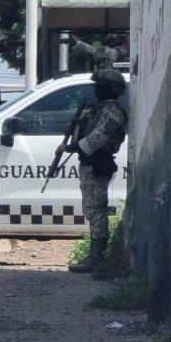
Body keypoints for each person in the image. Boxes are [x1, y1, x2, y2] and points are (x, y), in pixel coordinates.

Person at [61, 69, 128, 278]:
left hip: (99, 162)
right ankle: (95, 256)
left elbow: (100, 137)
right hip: (90, 162)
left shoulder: (113, 112)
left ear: (110, 89)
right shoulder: (97, 109)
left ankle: (97, 257)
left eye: (100, 85)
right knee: (91, 209)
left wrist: (72, 148)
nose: (95, 89)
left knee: (97, 210)